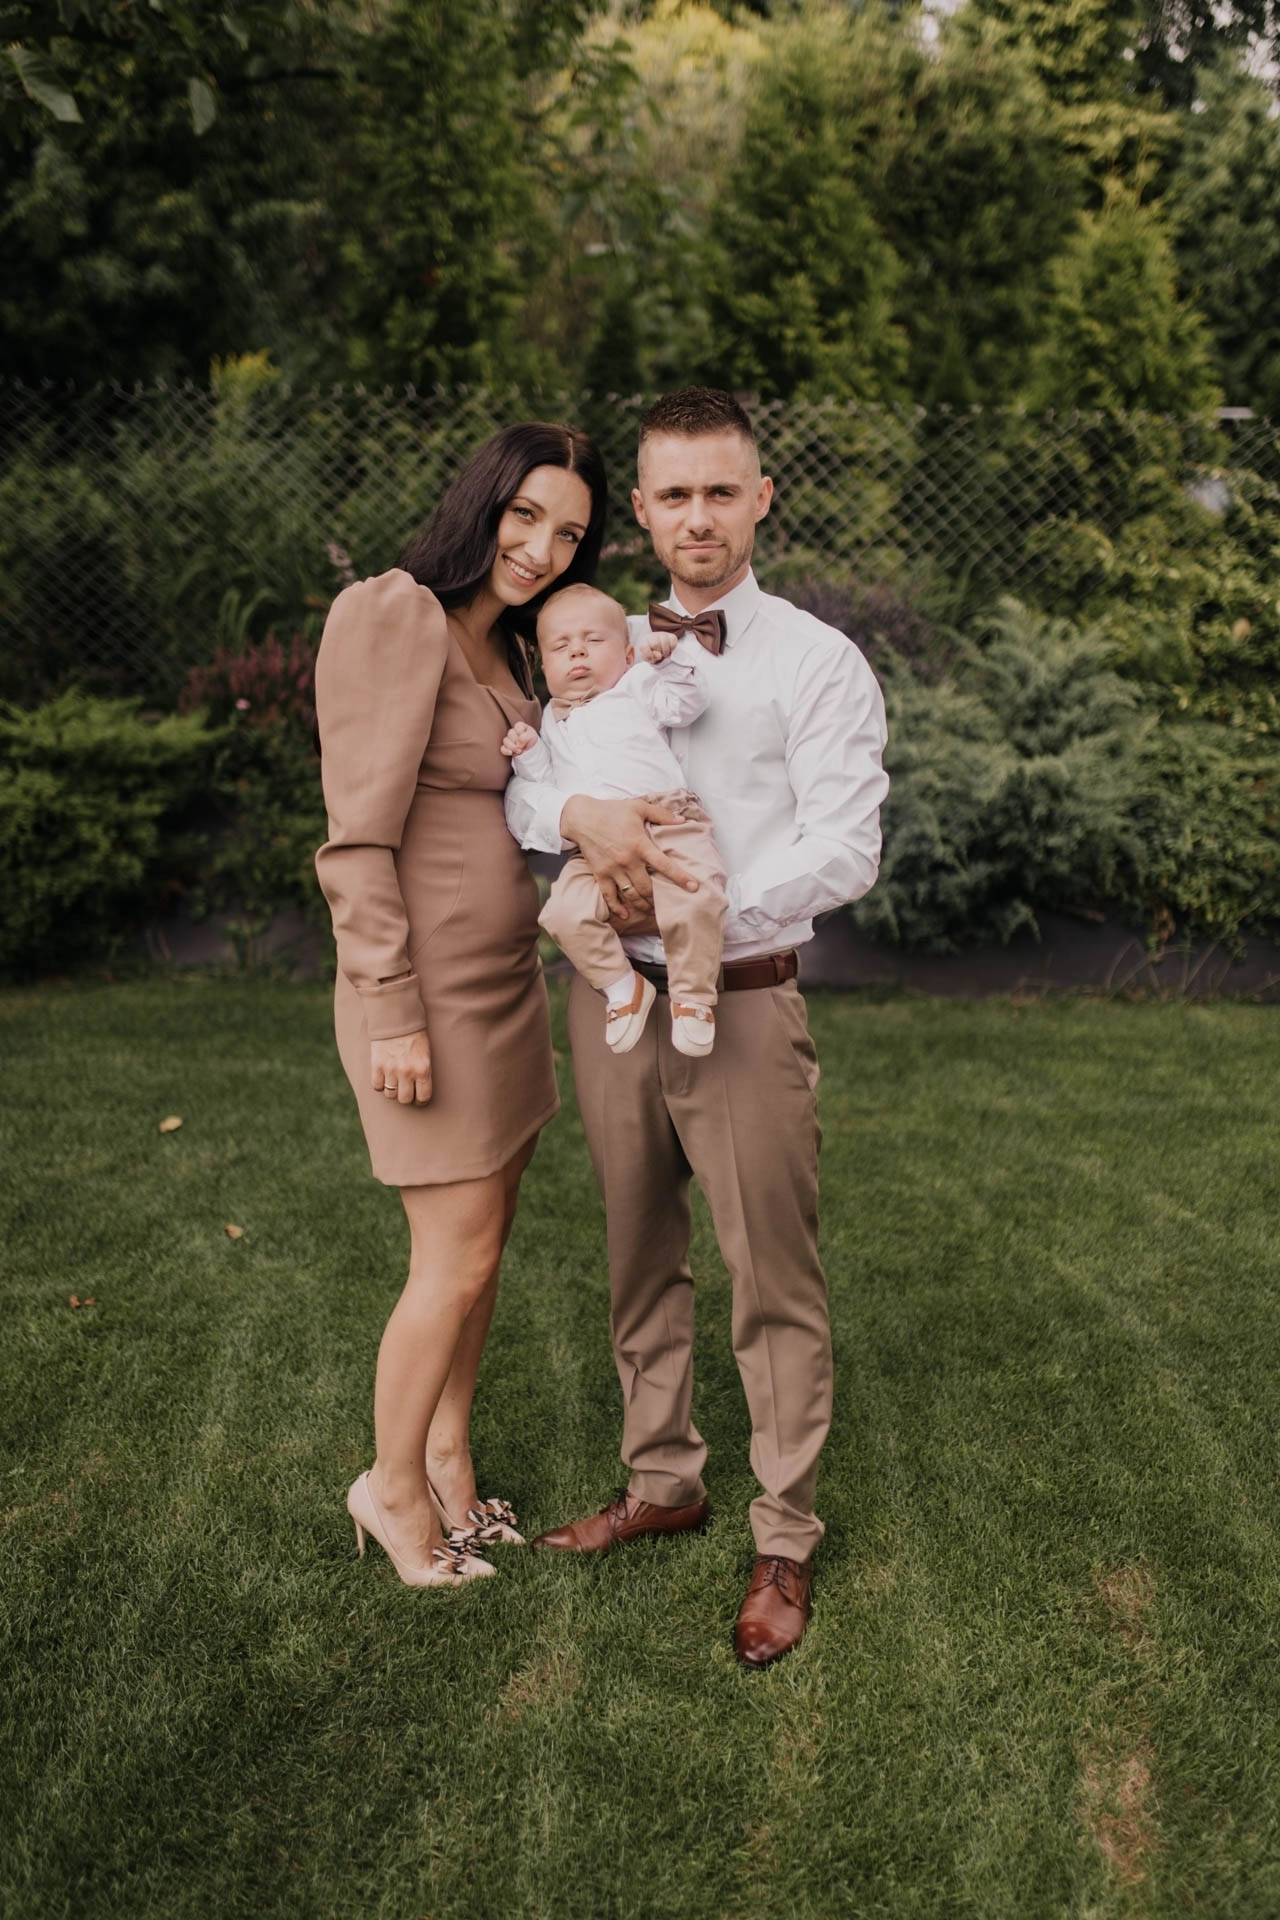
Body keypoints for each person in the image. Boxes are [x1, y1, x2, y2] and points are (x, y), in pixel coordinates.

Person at [504, 387, 888, 1665]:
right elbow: (532, 794)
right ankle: (661, 1478)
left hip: (745, 992)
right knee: (635, 1250)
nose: (698, 518)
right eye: (672, 494)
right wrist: (579, 829)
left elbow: (845, 844)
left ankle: (784, 1535)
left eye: (721, 491)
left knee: (770, 1275)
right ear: (643, 509)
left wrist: (696, 906)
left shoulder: (816, 663)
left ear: (760, 497)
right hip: (609, 998)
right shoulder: (591, 643)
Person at [315, 422, 663, 1589]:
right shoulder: (394, 615)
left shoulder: (515, 645)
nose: (541, 549)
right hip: (424, 996)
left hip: (506, 984)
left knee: (486, 1245)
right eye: (525, 517)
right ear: (483, 503)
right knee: (452, 1259)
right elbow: (356, 840)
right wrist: (390, 1008)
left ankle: (448, 1463)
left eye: (568, 533)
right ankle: (389, 1490)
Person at [500, 582, 728, 1058]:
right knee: (562, 913)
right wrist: (527, 751)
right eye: (561, 646)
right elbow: (545, 780)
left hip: (668, 819)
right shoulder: (550, 720)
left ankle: (693, 998)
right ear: (544, 667)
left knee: (694, 892)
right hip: (593, 846)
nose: (577, 651)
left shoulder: (635, 686)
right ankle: (622, 987)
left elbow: (685, 704)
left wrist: (666, 664)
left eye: (593, 640)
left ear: (626, 655)